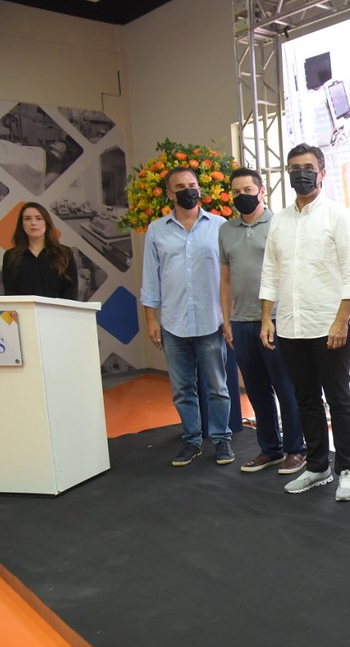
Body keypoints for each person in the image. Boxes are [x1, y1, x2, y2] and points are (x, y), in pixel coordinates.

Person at [260, 143, 350, 499]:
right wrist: (266, 317)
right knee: (305, 399)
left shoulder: (339, 217)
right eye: (294, 168)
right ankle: (317, 466)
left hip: (329, 326)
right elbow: (270, 271)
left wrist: (342, 321)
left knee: (338, 399)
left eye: (308, 167)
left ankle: (347, 469)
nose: (301, 174)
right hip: (290, 326)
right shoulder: (279, 221)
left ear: (322, 172)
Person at [140, 167, 233, 466]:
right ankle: (191, 440)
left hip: (211, 319)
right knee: (182, 390)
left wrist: (229, 318)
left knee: (218, 387)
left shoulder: (219, 226)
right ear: (170, 194)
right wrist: (151, 319)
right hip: (173, 322)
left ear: (200, 189)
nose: (188, 191)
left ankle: (221, 439)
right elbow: (150, 278)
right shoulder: (156, 230)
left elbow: (229, 276)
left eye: (191, 185)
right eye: (180, 187)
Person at [219, 168, 307, 475]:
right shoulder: (226, 230)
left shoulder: (280, 223)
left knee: (286, 388)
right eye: (236, 191)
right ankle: (270, 449)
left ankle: (296, 449)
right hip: (241, 322)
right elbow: (225, 278)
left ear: (261, 191)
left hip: (276, 320)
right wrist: (227, 319)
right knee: (256, 391)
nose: (242, 195)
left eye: (248, 190)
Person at [1, 202, 77, 300]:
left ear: (46, 223)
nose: (33, 223)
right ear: (22, 225)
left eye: (39, 218)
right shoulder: (10, 256)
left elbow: (71, 293)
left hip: (58, 310)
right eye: (27, 219)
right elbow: (10, 294)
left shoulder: (65, 253)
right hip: (24, 310)